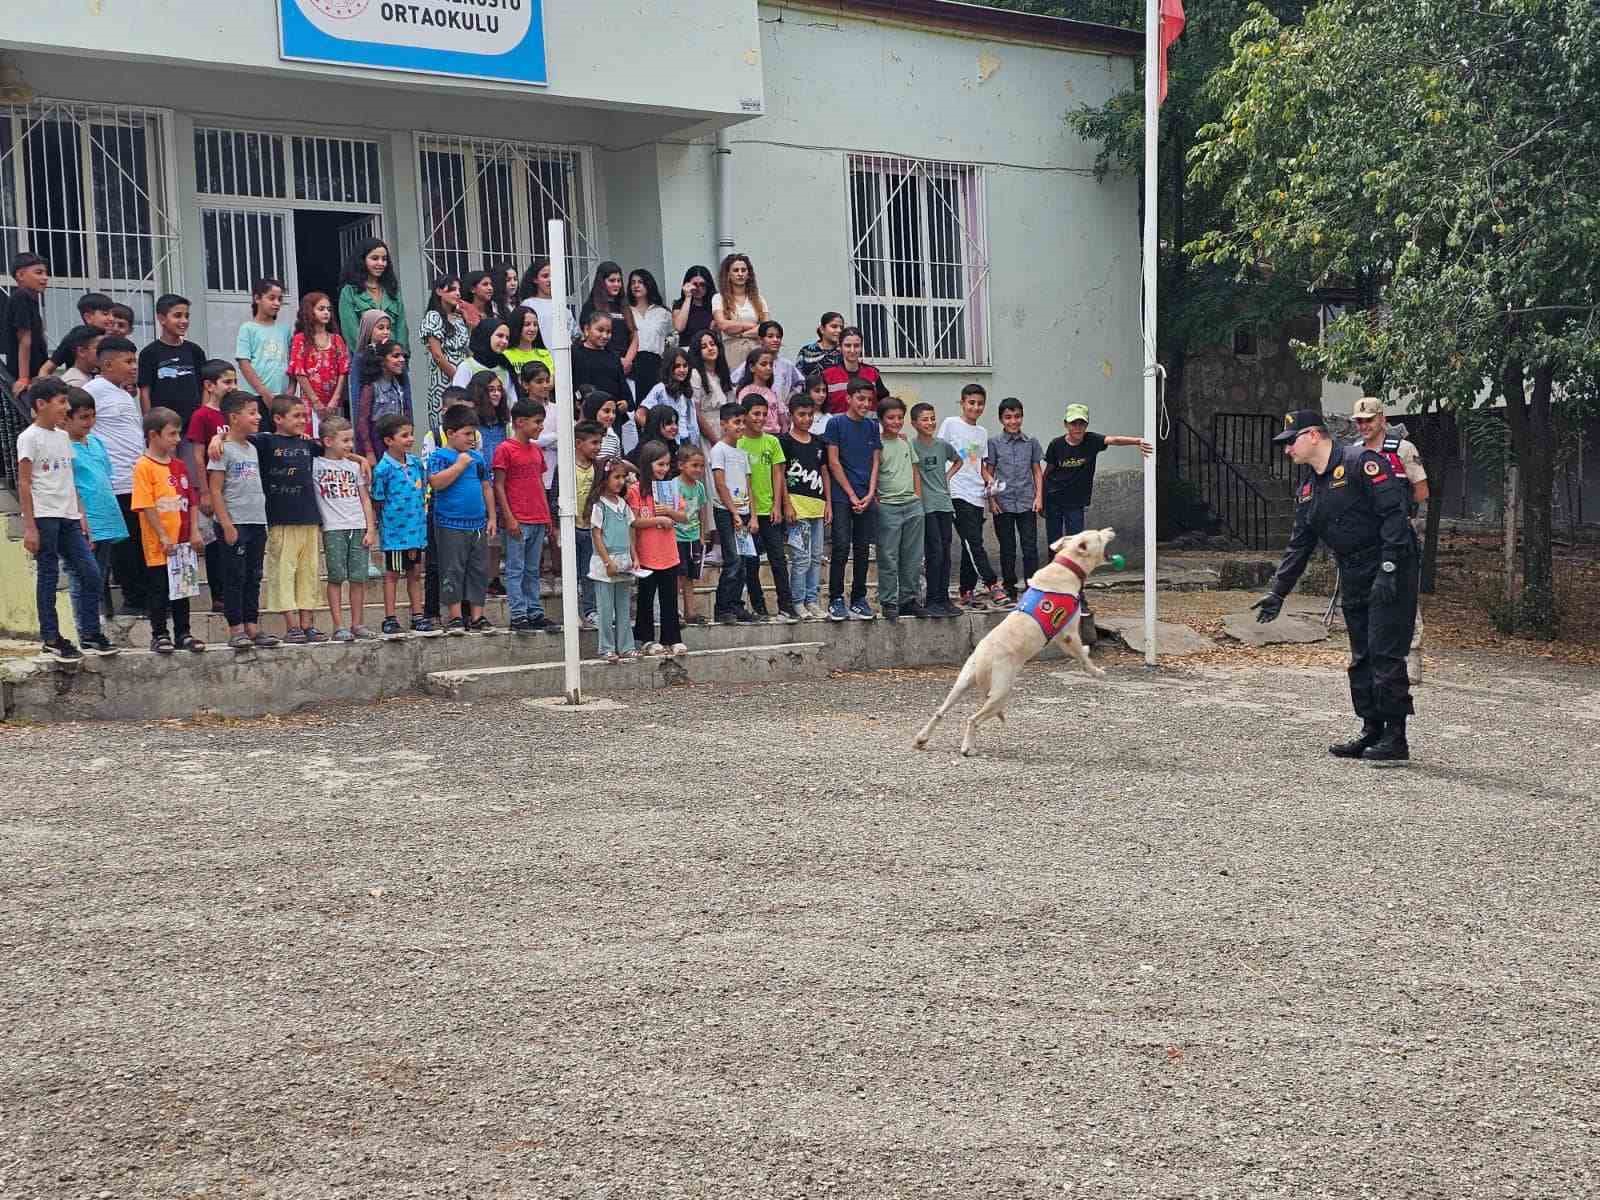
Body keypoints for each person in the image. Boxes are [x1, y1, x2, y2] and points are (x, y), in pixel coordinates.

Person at [1254, 410, 1419, 762]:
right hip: (1355, 570)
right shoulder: (1310, 487)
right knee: (1361, 655)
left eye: (1291, 442)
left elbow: (1394, 515)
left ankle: (1396, 737)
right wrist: (1277, 592)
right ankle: (1370, 728)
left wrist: (1389, 568)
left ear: (1314, 435)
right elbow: (1300, 544)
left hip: (1390, 564)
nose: (1287, 451)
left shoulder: (1362, 462)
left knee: (1384, 650)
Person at [216, 394, 326, 644]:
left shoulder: (308, 444)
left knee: (309, 573)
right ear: (277, 419)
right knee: (281, 573)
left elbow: (335, 446)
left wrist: (359, 458)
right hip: (277, 519)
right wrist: (216, 437)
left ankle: (307, 624)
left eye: (304, 416)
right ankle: (291, 626)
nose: (302, 420)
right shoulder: (263, 442)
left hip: (308, 518)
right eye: (296, 416)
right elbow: (234, 435)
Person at [18, 378, 112, 659]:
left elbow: (68, 477)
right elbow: (24, 483)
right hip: (45, 516)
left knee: (91, 573)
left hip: (69, 516)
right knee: (48, 575)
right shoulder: (29, 437)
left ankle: (90, 633)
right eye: (61, 402)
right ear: (41, 404)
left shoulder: (62, 437)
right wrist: (30, 526)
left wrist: (80, 513)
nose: (66, 407)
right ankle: (51, 636)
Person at [1351, 396, 1430, 685]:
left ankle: (1412, 658)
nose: (1364, 426)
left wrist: (1402, 518)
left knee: (1404, 595)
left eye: (1369, 420)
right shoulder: (1353, 453)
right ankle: (1374, 659)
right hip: (1366, 537)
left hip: (1398, 535)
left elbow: (1421, 491)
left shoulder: (1403, 450)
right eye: (1359, 421)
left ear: (1382, 419)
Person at [206, 389, 279, 651]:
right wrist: (226, 523)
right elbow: (215, 489)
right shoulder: (223, 450)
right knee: (234, 576)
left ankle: (252, 625)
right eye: (252, 413)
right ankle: (235, 628)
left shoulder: (253, 447)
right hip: (234, 521)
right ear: (234, 417)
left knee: (254, 575)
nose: (258, 417)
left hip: (256, 520)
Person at [132, 406, 206, 655]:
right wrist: (162, 535)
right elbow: (145, 504)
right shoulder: (144, 466)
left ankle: (183, 632)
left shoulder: (180, 466)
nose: (177, 440)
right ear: (153, 435)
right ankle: (159, 633)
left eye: (178, 434)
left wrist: (195, 530)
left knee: (182, 589)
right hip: (160, 543)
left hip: (183, 540)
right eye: (172, 434)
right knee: (159, 588)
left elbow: (192, 500)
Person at [83, 335, 148, 617]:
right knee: (125, 545)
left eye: (135, 361)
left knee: (141, 541)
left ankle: (149, 597)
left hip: (138, 479)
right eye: (128, 361)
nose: (134, 367)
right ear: (107, 363)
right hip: (115, 481)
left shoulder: (124, 394)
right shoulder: (92, 391)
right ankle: (134, 599)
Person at [63, 386, 129, 646]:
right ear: (66, 418)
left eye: (92, 416)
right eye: (83, 417)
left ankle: (93, 626)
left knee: (98, 576)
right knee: (83, 576)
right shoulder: (63, 448)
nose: (89, 423)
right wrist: (81, 518)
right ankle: (86, 631)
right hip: (83, 520)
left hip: (106, 516)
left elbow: (105, 476)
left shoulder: (97, 442)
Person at [427, 405, 496, 635]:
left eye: (473, 433)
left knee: (478, 569)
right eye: (467, 433)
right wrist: (458, 465)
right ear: (450, 433)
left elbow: (486, 486)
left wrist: (492, 516)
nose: (472, 438)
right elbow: (436, 483)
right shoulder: (440, 456)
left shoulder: (477, 458)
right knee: (452, 569)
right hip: (450, 523)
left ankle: (477, 616)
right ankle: (455, 616)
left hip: (477, 523)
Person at [1043, 403, 1152, 546]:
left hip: (1076, 502)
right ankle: (1054, 568)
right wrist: (1042, 499)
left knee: (1076, 543)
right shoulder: (1056, 445)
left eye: (1081, 423)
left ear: (1086, 425)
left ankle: (1073, 569)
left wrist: (1137, 441)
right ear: (1066, 424)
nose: (1077, 427)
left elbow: (1114, 440)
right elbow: (1047, 472)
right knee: (1054, 542)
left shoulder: (1092, 440)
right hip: (1054, 499)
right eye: (1073, 423)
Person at [494, 398, 559, 634]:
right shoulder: (505, 449)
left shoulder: (536, 450)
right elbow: (499, 486)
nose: (541, 427)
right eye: (537, 422)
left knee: (533, 569)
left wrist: (547, 516)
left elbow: (540, 484)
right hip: (518, 518)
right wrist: (509, 517)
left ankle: (535, 611)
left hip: (537, 517)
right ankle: (518, 614)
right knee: (515, 568)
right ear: (520, 422)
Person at [370, 412, 436, 639]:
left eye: (411, 435)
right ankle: (390, 618)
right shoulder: (383, 469)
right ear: (389, 440)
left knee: (415, 572)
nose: (410, 440)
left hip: (416, 530)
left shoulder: (416, 463)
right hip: (396, 532)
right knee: (392, 574)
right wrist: (384, 525)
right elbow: (378, 499)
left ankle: (417, 615)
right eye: (404, 436)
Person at [823, 377, 883, 621]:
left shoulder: (872, 426)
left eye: (869, 400)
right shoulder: (835, 424)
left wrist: (869, 493)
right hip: (841, 496)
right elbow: (833, 462)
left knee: (862, 548)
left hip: (865, 496)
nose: (865, 404)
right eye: (860, 398)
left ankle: (859, 598)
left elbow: (875, 460)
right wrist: (850, 494)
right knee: (840, 545)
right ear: (848, 398)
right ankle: (836, 598)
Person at [312, 416, 377, 642]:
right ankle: (339, 625)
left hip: (357, 525)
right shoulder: (315, 464)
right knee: (336, 577)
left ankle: (357, 623)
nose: (350, 445)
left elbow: (365, 499)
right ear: (328, 441)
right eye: (345, 440)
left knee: (358, 578)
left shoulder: (354, 467)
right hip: (333, 528)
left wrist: (370, 528)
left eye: (351, 440)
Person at [939, 383, 1003, 609]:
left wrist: (990, 483)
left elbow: (980, 465)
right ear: (962, 403)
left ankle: (966, 591)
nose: (975, 407)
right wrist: (942, 482)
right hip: (956, 491)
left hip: (977, 494)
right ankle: (992, 583)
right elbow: (939, 453)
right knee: (973, 542)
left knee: (971, 544)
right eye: (971, 403)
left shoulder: (982, 432)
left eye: (980, 404)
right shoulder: (950, 424)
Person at [737, 394, 799, 622]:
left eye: (764, 414)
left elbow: (778, 474)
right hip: (746, 513)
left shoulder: (772, 442)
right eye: (756, 413)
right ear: (744, 415)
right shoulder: (739, 443)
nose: (761, 418)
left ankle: (786, 604)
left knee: (778, 559)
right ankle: (759, 606)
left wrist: (779, 505)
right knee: (750, 563)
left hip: (770, 510)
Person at [186, 359, 238, 611]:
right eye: (227, 382)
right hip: (212, 487)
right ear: (209, 385)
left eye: (234, 381)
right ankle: (219, 595)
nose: (232, 387)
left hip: (236, 487)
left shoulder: (234, 413)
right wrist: (204, 491)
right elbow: (198, 455)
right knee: (215, 543)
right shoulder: (202, 415)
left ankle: (233, 590)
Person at [629, 440, 689, 655]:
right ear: (647, 464)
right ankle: (645, 638)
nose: (664, 469)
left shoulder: (671, 487)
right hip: (647, 553)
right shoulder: (636, 490)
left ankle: (672, 638)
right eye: (660, 464)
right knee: (646, 597)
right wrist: (658, 519)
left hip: (669, 553)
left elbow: (683, 516)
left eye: (666, 465)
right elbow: (634, 520)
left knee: (669, 598)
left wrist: (669, 513)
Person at [986, 397, 1044, 604]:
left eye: (1017, 416)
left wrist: (1038, 497)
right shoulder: (993, 443)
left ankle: (1032, 587)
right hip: (1003, 504)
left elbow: (1037, 471)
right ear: (1001, 419)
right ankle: (1009, 586)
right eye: (1008, 417)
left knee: (1030, 547)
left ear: (1022, 417)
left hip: (1027, 502)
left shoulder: (1031, 443)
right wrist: (991, 500)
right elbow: (989, 472)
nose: (1013, 421)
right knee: (1007, 547)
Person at [709, 402, 760, 626]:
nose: (740, 426)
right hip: (727, 512)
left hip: (745, 512)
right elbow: (720, 484)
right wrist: (733, 512)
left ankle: (737, 605)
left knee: (745, 561)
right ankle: (722, 608)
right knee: (733, 560)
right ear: (723, 425)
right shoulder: (718, 450)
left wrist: (754, 515)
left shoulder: (742, 453)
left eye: (742, 422)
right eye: (736, 422)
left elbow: (749, 486)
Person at [874, 396, 926, 621]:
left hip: (912, 506)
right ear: (881, 419)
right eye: (890, 418)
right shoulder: (877, 445)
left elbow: (915, 470)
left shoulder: (906, 442)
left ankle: (908, 599)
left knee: (912, 557)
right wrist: (878, 500)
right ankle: (889, 601)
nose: (896, 422)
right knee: (888, 556)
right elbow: (873, 474)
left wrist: (917, 498)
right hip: (888, 507)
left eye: (899, 418)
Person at [780, 390, 830, 620]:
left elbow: (824, 473)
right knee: (800, 558)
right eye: (801, 414)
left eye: (810, 415)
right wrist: (786, 505)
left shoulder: (819, 443)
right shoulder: (785, 442)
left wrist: (828, 503)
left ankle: (812, 600)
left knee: (815, 556)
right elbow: (780, 476)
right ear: (791, 415)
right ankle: (798, 601)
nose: (807, 419)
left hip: (817, 508)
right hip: (796, 509)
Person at [910, 402, 962, 618]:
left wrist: (947, 477)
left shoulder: (942, 445)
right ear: (914, 423)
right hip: (926, 506)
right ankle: (932, 599)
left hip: (944, 504)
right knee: (935, 552)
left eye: (932, 418)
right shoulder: (911, 446)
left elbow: (958, 460)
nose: (930, 422)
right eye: (924, 419)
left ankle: (944, 597)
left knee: (946, 553)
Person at [587, 457, 641, 661]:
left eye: (623, 477)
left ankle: (626, 646)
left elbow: (630, 532)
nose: (620, 481)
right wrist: (607, 561)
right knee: (606, 610)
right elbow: (597, 534)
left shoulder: (624, 505)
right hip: (606, 563)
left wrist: (635, 557)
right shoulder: (599, 505)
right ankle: (606, 647)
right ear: (604, 478)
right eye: (616, 477)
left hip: (624, 561)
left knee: (624, 608)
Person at [135, 293, 206, 427]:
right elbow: (145, 392)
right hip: (163, 427)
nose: (184, 321)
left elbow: (204, 388)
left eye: (187, 316)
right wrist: (150, 425)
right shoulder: (149, 353)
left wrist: (200, 420)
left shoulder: (195, 351)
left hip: (191, 426)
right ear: (161, 318)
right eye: (177, 315)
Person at [288, 291, 350, 433]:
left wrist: (335, 399)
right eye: (321, 309)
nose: (326, 313)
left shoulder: (337, 339)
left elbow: (343, 371)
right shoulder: (300, 339)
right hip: (310, 401)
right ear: (309, 311)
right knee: (313, 438)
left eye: (328, 309)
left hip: (333, 401)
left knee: (335, 436)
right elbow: (299, 371)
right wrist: (315, 401)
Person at [337, 238, 407, 351]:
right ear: (362, 260)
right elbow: (351, 333)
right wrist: (370, 357)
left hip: (394, 361)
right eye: (375, 258)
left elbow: (401, 328)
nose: (381, 263)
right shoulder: (349, 292)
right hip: (366, 361)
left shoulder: (392, 291)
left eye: (384, 259)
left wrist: (400, 354)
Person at [419, 273, 469, 430]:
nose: (458, 293)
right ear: (439, 291)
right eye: (452, 289)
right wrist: (457, 378)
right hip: (444, 378)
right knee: (445, 426)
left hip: (464, 377)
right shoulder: (433, 317)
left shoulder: (459, 318)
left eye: (459, 290)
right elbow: (437, 355)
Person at [572, 310, 631, 443]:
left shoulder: (613, 356)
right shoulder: (575, 354)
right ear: (587, 329)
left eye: (608, 332)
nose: (605, 335)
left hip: (611, 418)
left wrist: (626, 402)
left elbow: (621, 383)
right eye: (600, 330)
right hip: (585, 417)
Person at [235, 278, 291, 411]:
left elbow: (292, 362)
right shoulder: (248, 328)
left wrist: (291, 390)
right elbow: (244, 363)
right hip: (255, 396)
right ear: (257, 298)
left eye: (279, 299)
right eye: (271, 298)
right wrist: (264, 393)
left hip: (281, 397)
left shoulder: (285, 330)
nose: (277, 303)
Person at [570, 419, 605, 628]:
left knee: (589, 572)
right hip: (571, 527)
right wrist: (556, 528)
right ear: (578, 443)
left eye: (599, 442)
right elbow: (556, 494)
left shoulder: (598, 468)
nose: (598, 447)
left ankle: (591, 611)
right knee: (572, 573)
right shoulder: (566, 467)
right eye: (593, 443)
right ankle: (572, 611)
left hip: (590, 528)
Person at [355, 339, 412, 461]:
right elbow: (363, 421)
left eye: (403, 356)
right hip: (378, 443)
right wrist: (369, 452)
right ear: (382, 361)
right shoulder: (371, 387)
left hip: (397, 441)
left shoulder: (399, 386)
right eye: (395, 356)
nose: (401, 360)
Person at [579, 261, 638, 379]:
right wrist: (616, 359)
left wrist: (627, 360)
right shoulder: (591, 306)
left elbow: (634, 335)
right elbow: (589, 337)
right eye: (612, 280)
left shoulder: (624, 306)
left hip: (626, 368)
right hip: (601, 364)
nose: (617, 284)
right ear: (602, 282)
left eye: (619, 280)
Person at [731, 321, 804, 413]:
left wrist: (789, 400)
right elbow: (733, 383)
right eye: (770, 336)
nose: (775, 340)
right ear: (761, 340)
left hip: (780, 412)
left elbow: (800, 383)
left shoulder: (787, 365)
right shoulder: (751, 363)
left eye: (778, 337)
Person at [4, 252, 50, 400]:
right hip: (25, 374)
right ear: (21, 275)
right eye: (39, 272)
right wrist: (24, 377)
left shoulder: (31, 298)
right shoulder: (21, 297)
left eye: (46, 273)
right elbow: (24, 339)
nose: (45, 277)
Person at [673, 445, 710, 628]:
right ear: (681, 465)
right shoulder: (674, 485)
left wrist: (702, 535)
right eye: (694, 465)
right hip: (677, 538)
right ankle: (675, 612)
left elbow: (702, 511)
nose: (698, 470)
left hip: (693, 537)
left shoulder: (700, 487)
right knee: (677, 577)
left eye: (701, 466)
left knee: (690, 576)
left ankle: (690, 612)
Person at [711, 253, 769, 365]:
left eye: (743, 270)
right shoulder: (719, 298)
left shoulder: (759, 299)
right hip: (731, 349)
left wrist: (741, 333)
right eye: (736, 270)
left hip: (756, 349)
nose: (740, 274)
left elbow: (766, 328)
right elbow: (723, 325)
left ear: (749, 274)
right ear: (728, 274)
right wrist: (752, 326)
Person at [626, 269, 671, 402]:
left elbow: (673, 335)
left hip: (656, 363)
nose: (636, 285)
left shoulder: (662, 312)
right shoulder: (626, 311)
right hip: (634, 364)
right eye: (633, 282)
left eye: (640, 282)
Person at [821, 328, 889, 415]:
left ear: (861, 347)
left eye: (856, 345)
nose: (852, 350)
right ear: (840, 347)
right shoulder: (827, 375)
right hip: (838, 428)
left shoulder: (872, 373)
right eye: (847, 345)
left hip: (868, 427)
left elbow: (884, 403)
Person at [639, 347, 696, 446]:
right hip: (666, 441)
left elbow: (690, 422)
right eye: (677, 366)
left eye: (685, 365)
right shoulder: (660, 389)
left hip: (685, 440)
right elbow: (640, 415)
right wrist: (657, 434)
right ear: (669, 367)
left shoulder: (686, 391)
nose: (682, 370)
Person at [452, 317, 518, 401]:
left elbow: (511, 402)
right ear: (486, 335)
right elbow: (458, 399)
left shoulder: (505, 367)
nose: (505, 341)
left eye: (507, 338)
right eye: (500, 336)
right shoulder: (467, 367)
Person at [516, 257, 578, 343]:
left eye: (553, 276)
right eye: (545, 276)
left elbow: (574, 335)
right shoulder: (528, 305)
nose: (550, 280)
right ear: (535, 279)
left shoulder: (561, 305)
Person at [688, 328, 732, 445]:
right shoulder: (695, 375)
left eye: (712, 344)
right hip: (707, 433)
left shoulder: (723, 374)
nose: (710, 348)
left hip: (726, 430)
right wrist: (715, 441)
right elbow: (697, 413)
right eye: (704, 346)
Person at [736, 347, 788, 435]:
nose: (768, 368)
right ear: (752, 367)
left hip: (776, 437)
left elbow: (782, 418)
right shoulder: (745, 392)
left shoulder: (772, 392)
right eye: (763, 364)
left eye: (771, 364)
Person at [502, 306, 554, 381]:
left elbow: (551, 381)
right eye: (527, 324)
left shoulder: (545, 354)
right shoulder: (504, 355)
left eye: (535, 324)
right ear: (517, 325)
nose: (532, 329)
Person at [670, 264, 716, 347]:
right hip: (688, 349)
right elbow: (679, 327)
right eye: (695, 284)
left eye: (702, 285)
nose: (698, 288)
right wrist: (688, 297)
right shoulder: (680, 304)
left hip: (709, 348)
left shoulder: (714, 303)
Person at [796, 311, 845, 378]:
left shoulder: (844, 351)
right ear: (822, 329)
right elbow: (798, 378)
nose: (839, 330)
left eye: (841, 327)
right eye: (834, 326)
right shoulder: (806, 351)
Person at [581, 387, 624, 461]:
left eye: (614, 412)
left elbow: (617, 465)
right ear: (593, 410)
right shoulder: (579, 435)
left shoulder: (613, 437)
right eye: (606, 411)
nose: (611, 416)